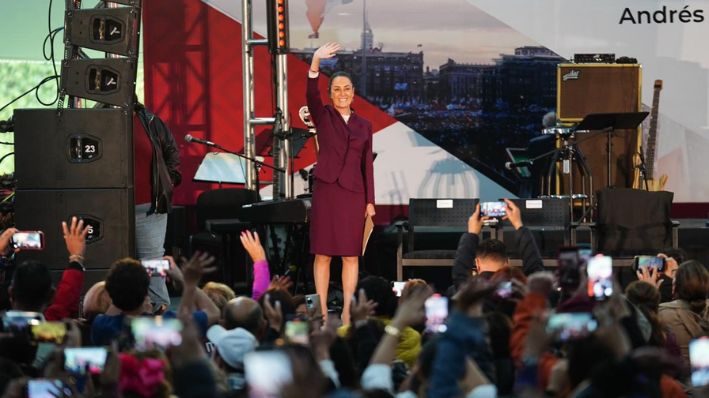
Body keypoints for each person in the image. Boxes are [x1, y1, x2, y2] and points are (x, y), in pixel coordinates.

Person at [307, 42, 376, 324]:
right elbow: (310, 93)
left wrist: (370, 201)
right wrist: (315, 61)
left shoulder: (364, 125)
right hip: (327, 192)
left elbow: (366, 166)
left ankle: (347, 313)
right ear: (330, 93)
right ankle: (322, 313)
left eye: (347, 89)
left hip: (353, 195)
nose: (342, 93)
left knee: (350, 256)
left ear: (353, 93)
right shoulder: (322, 115)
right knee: (323, 254)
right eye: (336, 89)